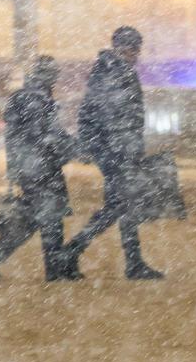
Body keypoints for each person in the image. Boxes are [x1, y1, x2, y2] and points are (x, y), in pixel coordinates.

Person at [62, 26, 163, 279]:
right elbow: (103, 114)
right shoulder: (112, 71)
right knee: (119, 206)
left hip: (119, 149)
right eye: (133, 48)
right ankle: (71, 251)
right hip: (115, 151)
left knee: (124, 205)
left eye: (138, 48)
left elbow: (102, 113)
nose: (136, 53)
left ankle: (133, 262)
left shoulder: (117, 70)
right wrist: (117, 148)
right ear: (121, 48)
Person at [0, 56, 79, 281]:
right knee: (50, 218)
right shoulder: (34, 100)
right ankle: (53, 271)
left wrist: (69, 145)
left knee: (37, 218)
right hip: (38, 168)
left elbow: (42, 134)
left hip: (33, 166)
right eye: (52, 75)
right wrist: (72, 147)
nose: (54, 79)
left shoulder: (32, 96)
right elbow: (42, 136)